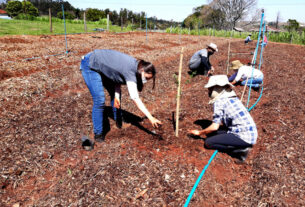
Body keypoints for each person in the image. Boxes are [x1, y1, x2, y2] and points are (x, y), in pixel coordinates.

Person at [80, 49, 162, 142]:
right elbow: (135, 98)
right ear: (142, 70)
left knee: (115, 96)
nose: (145, 81)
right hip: (90, 63)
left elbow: (117, 76)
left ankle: (118, 120)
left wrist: (117, 96)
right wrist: (151, 118)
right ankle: (98, 134)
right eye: (146, 78)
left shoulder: (136, 67)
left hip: (103, 64)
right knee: (99, 99)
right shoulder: (131, 72)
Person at [188, 75, 258, 162]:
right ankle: (240, 146)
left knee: (208, 142)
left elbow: (214, 127)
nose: (208, 91)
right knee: (212, 133)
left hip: (244, 137)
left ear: (217, 88)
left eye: (210, 88)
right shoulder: (231, 96)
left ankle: (239, 151)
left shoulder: (219, 101)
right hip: (249, 133)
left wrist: (199, 132)